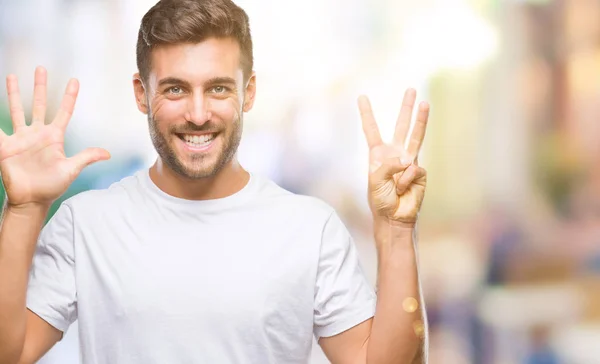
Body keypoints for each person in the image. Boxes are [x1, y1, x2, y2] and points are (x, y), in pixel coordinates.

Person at [0, 0, 430, 363]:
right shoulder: (86, 224)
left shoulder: (309, 229)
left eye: (219, 89)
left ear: (249, 92)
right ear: (140, 93)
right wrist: (24, 210)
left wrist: (395, 231)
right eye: (175, 90)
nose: (199, 113)